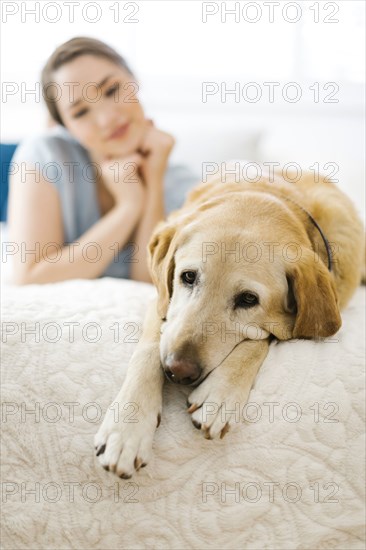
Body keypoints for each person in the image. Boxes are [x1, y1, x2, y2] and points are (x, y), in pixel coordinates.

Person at [7, 36, 198, 285]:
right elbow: (29, 278)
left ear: (134, 81)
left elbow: (149, 283)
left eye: (112, 90)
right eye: (81, 112)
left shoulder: (183, 185)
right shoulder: (45, 156)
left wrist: (153, 181)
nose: (107, 119)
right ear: (66, 127)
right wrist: (128, 206)